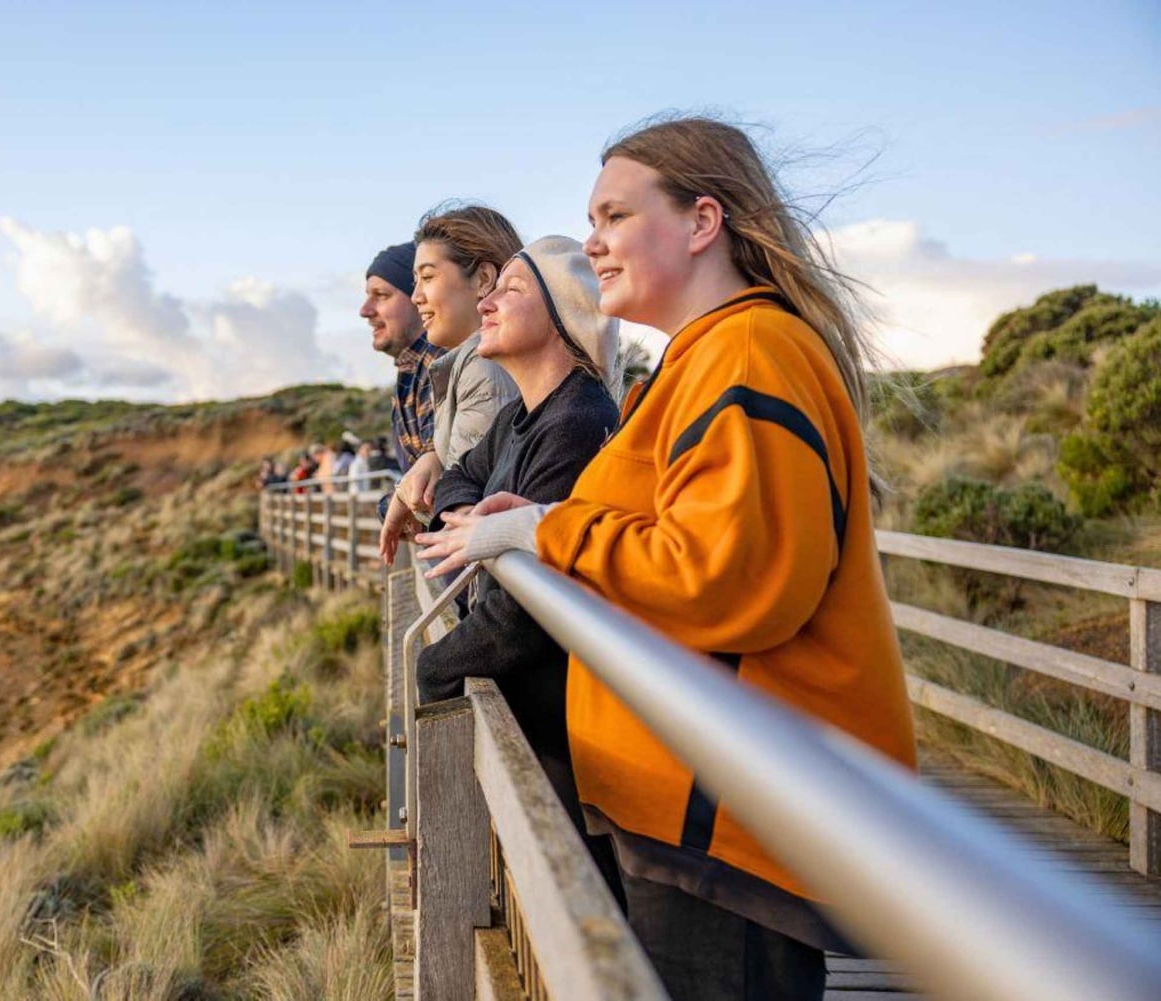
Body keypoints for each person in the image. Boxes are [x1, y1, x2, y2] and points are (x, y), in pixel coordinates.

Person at [414, 116, 917, 1001]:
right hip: (695, 808)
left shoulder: (750, 354)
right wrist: (548, 515)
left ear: (701, 222)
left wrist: (540, 532)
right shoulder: (705, 359)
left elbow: (729, 576)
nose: (595, 242)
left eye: (613, 216)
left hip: (729, 816)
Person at [415, 235, 625, 904]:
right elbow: (457, 475)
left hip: (569, 725)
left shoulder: (578, 420)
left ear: (564, 315)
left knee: (575, 892)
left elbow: (523, 613)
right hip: (537, 710)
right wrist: (475, 520)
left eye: (511, 286)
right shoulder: (519, 418)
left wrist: (432, 667)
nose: (488, 299)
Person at [379, 204, 521, 563]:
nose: (416, 296)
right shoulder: (467, 363)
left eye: (427, 277)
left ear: (484, 280)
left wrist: (402, 498)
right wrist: (430, 457)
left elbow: (462, 509)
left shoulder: (485, 365)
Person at [361, 242, 442, 474]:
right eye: (368, 296)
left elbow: (429, 489)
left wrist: (388, 507)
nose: (365, 310)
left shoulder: (438, 366)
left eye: (381, 295)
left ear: (418, 298)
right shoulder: (411, 369)